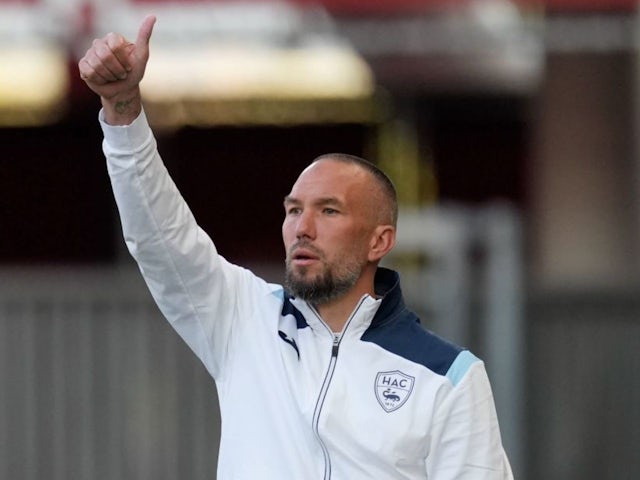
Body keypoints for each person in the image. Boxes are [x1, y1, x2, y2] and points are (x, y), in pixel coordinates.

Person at [79, 15, 514, 480]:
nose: (302, 227)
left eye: (328, 211)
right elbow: (159, 237)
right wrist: (122, 109)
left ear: (379, 241)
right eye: (292, 210)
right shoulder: (241, 318)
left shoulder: (450, 377)